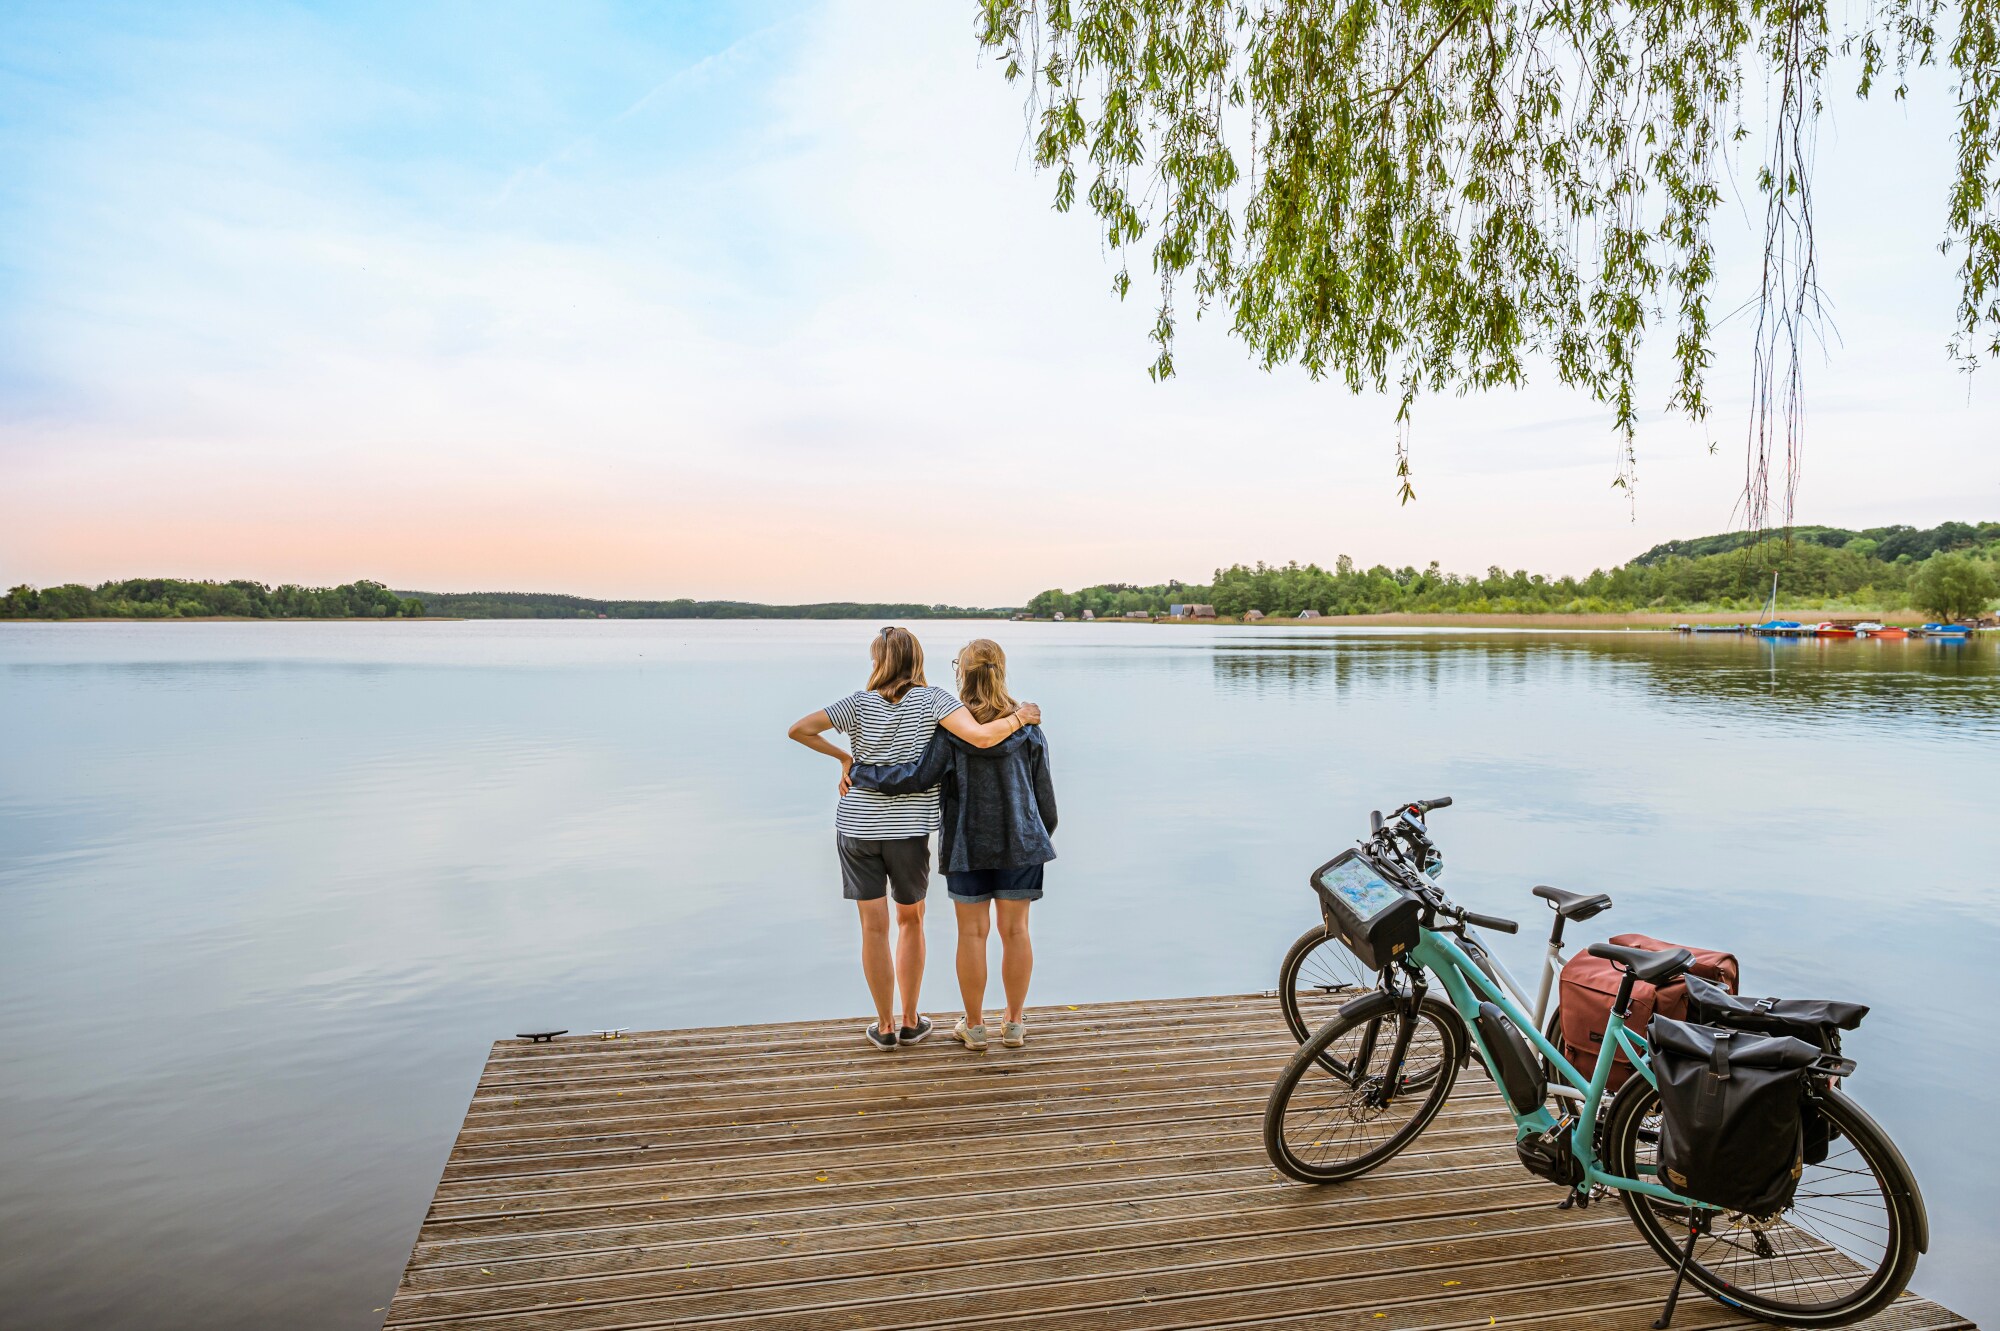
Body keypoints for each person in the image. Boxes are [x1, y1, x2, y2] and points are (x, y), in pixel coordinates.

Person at [788, 627, 1041, 1051]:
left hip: (865, 828)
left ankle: (893, 1027)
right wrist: (1021, 718)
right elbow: (998, 752)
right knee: (921, 922)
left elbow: (800, 730)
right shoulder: (937, 703)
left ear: (878, 661)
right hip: (922, 832)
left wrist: (847, 759)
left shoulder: (859, 704)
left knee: (877, 928)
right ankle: (928, 1021)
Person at [850, 638, 1054, 1052]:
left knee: (972, 935)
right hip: (1022, 844)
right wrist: (1036, 836)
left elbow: (915, 778)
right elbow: (1045, 801)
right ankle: (1014, 1024)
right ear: (1002, 670)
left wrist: (861, 772)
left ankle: (975, 1028)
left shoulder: (950, 730)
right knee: (1016, 931)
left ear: (962, 673)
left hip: (967, 846)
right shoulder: (1029, 728)